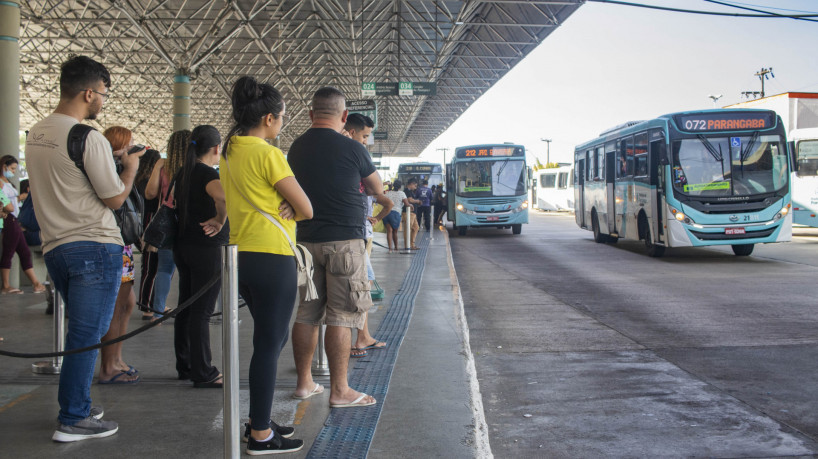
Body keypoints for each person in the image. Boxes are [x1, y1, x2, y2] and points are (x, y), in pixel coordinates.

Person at [25, 55, 144, 441]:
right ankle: (74, 417)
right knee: (87, 335)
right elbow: (113, 199)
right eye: (103, 94)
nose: (103, 102)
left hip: (56, 248)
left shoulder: (36, 133)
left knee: (81, 332)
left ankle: (77, 403)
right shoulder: (87, 136)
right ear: (89, 92)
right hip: (94, 245)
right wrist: (129, 170)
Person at [220, 75, 311, 455]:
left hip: (241, 255)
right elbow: (307, 208)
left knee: (264, 342)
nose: (283, 124)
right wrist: (292, 207)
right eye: (283, 118)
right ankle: (260, 434)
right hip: (273, 256)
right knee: (269, 346)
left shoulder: (229, 151)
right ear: (270, 119)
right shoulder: (268, 153)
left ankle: (260, 420)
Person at [288, 86, 383, 411]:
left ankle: (304, 384)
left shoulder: (296, 148)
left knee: (307, 313)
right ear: (344, 117)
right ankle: (340, 390)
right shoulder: (352, 147)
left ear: (311, 114)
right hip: (344, 240)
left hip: (305, 239)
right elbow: (376, 187)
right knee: (342, 316)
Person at [172, 125, 228, 389]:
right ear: (216, 148)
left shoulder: (183, 172)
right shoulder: (207, 173)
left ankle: (185, 365)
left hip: (182, 246)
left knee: (186, 307)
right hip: (206, 249)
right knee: (202, 312)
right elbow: (224, 199)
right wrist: (219, 220)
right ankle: (203, 371)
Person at [341, 113, 392, 357]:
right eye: (364, 136)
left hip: (356, 231)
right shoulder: (352, 152)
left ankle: (363, 336)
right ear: (350, 132)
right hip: (352, 234)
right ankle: (359, 339)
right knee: (360, 286)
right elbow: (378, 187)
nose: (365, 142)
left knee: (362, 285)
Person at [96, 126, 143, 385]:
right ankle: (108, 366)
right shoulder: (111, 168)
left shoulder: (117, 167)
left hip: (123, 245)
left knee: (127, 304)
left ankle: (116, 358)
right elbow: (116, 200)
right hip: (115, 244)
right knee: (115, 307)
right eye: (129, 144)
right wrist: (129, 167)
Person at [143, 131, 189, 321]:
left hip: (168, 224)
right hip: (188, 222)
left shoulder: (164, 168)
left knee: (164, 269)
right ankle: (188, 310)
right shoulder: (194, 167)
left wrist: (158, 167)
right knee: (189, 270)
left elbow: (150, 193)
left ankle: (158, 310)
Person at [0, 155, 47, 294]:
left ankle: (36, 283)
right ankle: (6, 285)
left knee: (24, 252)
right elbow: (9, 207)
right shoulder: (1, 184)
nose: (14, 171)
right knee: (9, 252)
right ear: (4, 167)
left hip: (13, 219)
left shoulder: (6, 182)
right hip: (9, 219)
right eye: (12, 168)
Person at [135, 149, 161, 321]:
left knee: (148, 266)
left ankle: (149, 303)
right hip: (152, 222)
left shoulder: (137, 179)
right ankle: (148, 306)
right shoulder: (150, 182)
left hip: (141, 222)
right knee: (154, 266)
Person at [383, 180, 410, 253]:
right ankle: (396, 247)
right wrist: (411, 205)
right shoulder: (402, 193)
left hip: (386, 213)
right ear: (400, 186)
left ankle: (390, 249)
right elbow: (407, 204)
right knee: (395, 232)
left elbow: (384, 201)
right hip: (395, 214)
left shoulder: (388, 193)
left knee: (389, 231)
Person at [404, 178, 422, 249]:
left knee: (415, 227)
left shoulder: (411, 191)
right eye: (415, 185)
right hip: (408, 213)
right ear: (411, 184)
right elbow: (409, 199)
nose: (416, 187)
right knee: (408, 228)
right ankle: (407, 245)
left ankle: (412, 244)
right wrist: (417, 201)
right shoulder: (406, 191)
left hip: (413, 213)